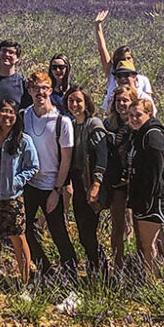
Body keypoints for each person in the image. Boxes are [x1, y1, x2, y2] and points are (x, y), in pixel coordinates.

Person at [22, 71, 77, 280]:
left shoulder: (62, 121)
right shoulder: (23, 116)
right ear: (29, 91)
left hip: (50, 184)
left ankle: (71, 272)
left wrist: (57, 189)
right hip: (29, 184)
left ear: (50, 90)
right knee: (24, 228)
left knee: (57, 231)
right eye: (35, 88)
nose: (40, 92)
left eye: (44, 88)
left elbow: (66, 159)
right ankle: (44, 268)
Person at [0, 100, 38, 284]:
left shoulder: (23, 140)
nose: (6, 116)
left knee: (18, 237)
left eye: (11, 112)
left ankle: (25, 281)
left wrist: (17, 182)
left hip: (12, 196)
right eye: (3, 111)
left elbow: (33, 166)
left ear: (16, 116)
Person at [64, 86, 108, 274]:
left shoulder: (94, 124)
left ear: (87, 102)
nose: (75, 104)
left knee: (88, 232)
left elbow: (102, 155)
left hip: (91, 185)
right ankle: (95, 270)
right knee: (84, 233)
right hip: (78, 185)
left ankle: (101, 271)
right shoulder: (72, 125)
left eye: (79, 101)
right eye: (71, 100)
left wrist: (97, 183)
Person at [126, 98, 164, 273]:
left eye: (138, 115)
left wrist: (146, 197)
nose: (134, 119)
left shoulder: (152, 136)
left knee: (148, 245)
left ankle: (151, 284)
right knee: (159, 240)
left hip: (152, 199)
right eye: (131, 115)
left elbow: (156, 172)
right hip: (143, 197)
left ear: (149, 114)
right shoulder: (140, 135)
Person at [103, 85, 137, 268]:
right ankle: (118, 265)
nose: (122, 104)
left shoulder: (139, 123)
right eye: (118, 100)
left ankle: (139, 266)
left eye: (125, 100)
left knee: (138, 228)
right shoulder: (108, 124)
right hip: (116, 183)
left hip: (136, 181)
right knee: (118, 226)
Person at [94, 11, 153, 111]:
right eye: (122, 59)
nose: (126, 61)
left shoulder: (143, 80)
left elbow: (148, 106)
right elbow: (102, 49)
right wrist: (97, 25)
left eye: (128, 58)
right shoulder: (112, 75)